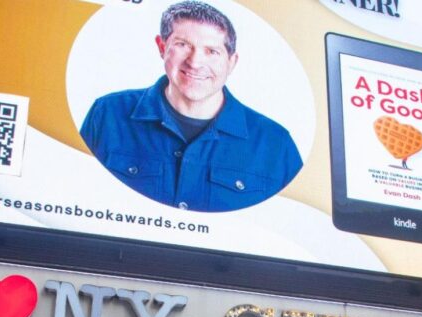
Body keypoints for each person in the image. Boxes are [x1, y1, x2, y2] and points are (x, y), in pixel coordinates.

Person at [80, 1, 302, 212]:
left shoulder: (276, 144)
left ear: (231, 62)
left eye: (212, 51)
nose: (195, 62)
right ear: (162, 47)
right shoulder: (107, 115)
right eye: (183, 45)